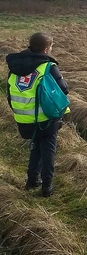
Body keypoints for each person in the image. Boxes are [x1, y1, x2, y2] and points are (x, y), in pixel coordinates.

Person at [6, 32, 69, 197]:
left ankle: (32, 180)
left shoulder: (15, 65)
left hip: (23, 118)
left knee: (36, 147)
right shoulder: (47, 66)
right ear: (47, 48)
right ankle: (46, 186)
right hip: (45, 118)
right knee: (48, 149)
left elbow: (9, 92)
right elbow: (64, 89)